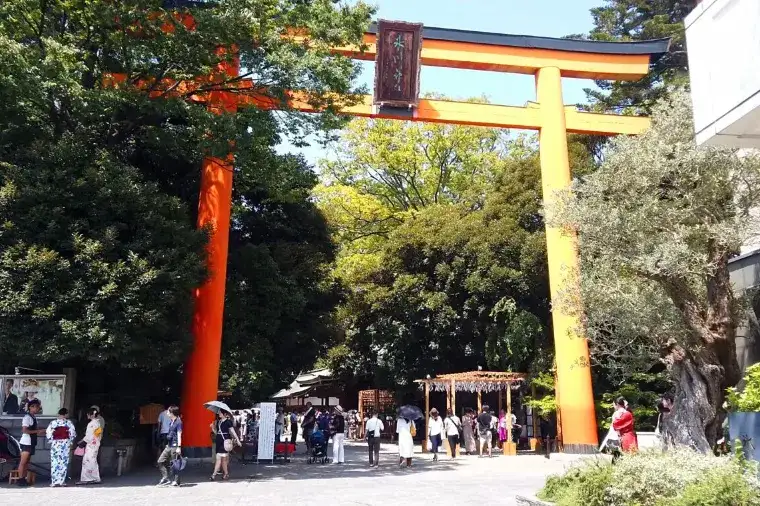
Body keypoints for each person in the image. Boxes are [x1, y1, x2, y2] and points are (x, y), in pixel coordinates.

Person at [16, 399, 44, 486]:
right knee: (23, 462)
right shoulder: (27, 418)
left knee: (27, 462)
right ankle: (20, 479)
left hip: (31, 442)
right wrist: (37, 431)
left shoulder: (34, 417)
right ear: (31, 407)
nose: (38, 409)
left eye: (38, 407)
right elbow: (24, 430)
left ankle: (23, 478)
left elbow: (35, 428)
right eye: (36, 407)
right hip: (26, 442)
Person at [46, 408, 77, 487]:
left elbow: (49, 433)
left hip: (56, 443)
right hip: (65, 444)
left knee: (54, 462)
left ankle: (54, 481)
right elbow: (72, 433)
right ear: (66, 414)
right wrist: (70, 440)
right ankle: (61, 481)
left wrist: (51, 439)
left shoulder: (53, 423)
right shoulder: (68, 423)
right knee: (63, 462)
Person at [157, 405, 183, 486]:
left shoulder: (178, 422)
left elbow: (179, 434)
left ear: (172, 413)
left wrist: (179, 447)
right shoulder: (171, 421)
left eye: (168, 411)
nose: (167, 413)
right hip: (169, 445)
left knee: (174, 463)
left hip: (174, 445)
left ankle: (176, 481)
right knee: (160, 461)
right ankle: (165, 477)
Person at [211, 410, 239, 480]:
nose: (219, 414)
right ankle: (226, 474)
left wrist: (237, 440)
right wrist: (212, 428)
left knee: (220, 459)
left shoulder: (228, 422)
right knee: (223, 460)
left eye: (220, 413)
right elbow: (217, 433)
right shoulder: (219, 422)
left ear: (225, 414)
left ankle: (213, 475)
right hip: (219, 441)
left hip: (225, 441)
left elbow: (233, 432)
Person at [78, 406, 103, 485]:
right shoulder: (97, 422)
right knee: (93, 460)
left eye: (88, 414)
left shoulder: (91, 424)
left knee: (87, 460)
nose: (87, 415)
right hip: (96, 443)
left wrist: (83, 441)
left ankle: (86, 478)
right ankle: (95, 477)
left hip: (91, 444)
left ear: (91, 415)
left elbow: (89, 435)